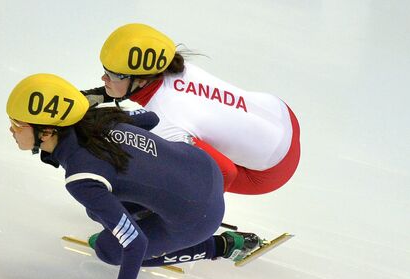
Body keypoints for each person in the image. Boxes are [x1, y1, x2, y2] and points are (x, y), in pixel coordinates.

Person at [6, 73, 262, 279]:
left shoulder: (81, 177)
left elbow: (135, 244)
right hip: (203, 168)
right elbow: (150, 120)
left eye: (17, 124)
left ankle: (219, 246)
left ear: (47, 131)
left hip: (198, 217)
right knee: (100, 211)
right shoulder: (100, 120)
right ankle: (170, 206)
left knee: (108, 249)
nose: (12, 130)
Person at [83, 23, 301, 195]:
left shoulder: (164, 120)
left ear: (140, 80)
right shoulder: (175, 67)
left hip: (272, 170)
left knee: (163, 162)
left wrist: (192, 209)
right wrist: (86, 98)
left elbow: (225, 172)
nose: (104, 78)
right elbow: (125, 89)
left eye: (112, 75)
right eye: (105, 71)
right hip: (278, 113)